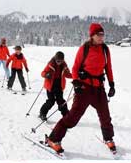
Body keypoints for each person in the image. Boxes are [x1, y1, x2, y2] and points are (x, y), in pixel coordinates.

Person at [46, 23, 116, 154]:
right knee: (72, 117)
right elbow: (75, 68)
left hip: (99, 88)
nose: (101, 37)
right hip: (84, 88)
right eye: (98, 35)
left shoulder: (105, 49)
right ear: (92, 36)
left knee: (105, 115)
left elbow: (108, 67)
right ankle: (53, 139)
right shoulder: (84, 49)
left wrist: (112, 84)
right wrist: (76, 83)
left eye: (102, 34)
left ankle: (108, 138)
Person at [39, 51, 72, 121]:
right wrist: (46, 75)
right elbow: (42, 73)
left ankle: (66, 115)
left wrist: (76, 76)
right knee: (51, 101)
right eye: (57, 61)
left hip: (59, 85)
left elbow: (67, 74)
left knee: (61, 101)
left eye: (61, 61)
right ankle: (42, 113)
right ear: (55, 59)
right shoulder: (50, 64)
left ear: (63, 60)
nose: (59, 62)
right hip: (50, 85)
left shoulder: (64, 66)